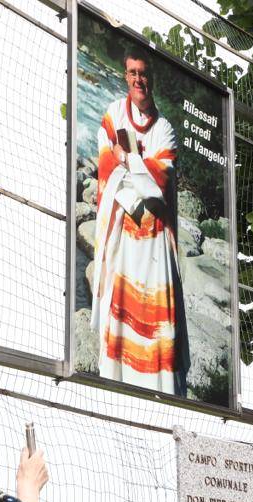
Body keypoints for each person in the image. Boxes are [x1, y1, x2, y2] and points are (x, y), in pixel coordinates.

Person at [89, 45, 190, 396]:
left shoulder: (165, 129)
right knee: (119, 312)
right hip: (123, 228)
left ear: (152, 78)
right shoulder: (113, 113)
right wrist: (133, 176)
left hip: (156, 240)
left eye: (143, 74)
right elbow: (105, 163)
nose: (138, 80)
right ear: (125, 75)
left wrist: (126, 159)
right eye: (132, 73)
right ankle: (115, 383)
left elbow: (160, 182)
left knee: (156, 315)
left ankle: (157, 389)